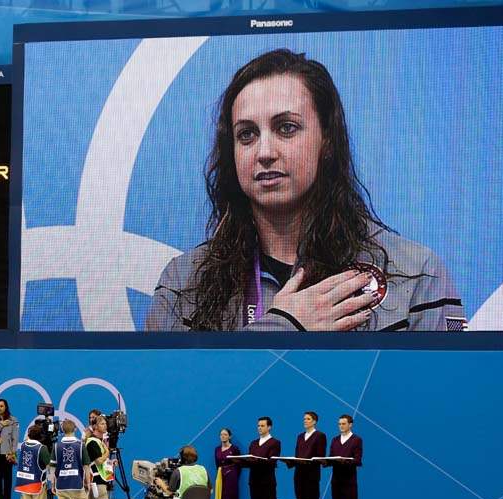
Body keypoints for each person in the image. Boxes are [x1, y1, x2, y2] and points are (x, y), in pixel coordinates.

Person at [146, 48, 465, 332]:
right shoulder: (182, 285)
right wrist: (284, 327)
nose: (264, 151)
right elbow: (165, 397)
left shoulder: (415, 275)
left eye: (286, 128)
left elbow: (444, 395)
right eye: (247, 134)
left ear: (326, 140)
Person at [51, 419, 91, 499]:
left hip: (61, 486)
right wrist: (88, 483)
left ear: (62, 430)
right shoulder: (80, 445)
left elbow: (52, 468)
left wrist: (53, 484)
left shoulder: (56, 446)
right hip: (77, 485)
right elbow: (86, 466)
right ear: (75, 429)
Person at [244, 417, 281, 499]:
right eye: (258, 426)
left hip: (267, 481)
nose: (260, 428)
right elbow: (250, 459)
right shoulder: (253, 443)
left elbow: (272, 461)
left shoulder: (275, 443)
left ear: (269, 427)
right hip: (254, 481)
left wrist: (256, 460)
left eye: (262, 426)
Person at [329, 414, 363, 499]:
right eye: (339, 424)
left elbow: (358, 459)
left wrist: (345, 460)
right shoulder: (335, 440)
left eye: (343, 424)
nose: (341, 426)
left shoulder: (356, 440)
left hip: (349, 481)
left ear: (350, 424)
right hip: (336, 481)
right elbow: (331, 457)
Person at [15, 425, 52, 499]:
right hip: (37, 485)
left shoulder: (23, 445)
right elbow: (49, 464)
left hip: (23, 483)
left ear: (29, 435)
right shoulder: (42, 448)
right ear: (41, 436)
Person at [293, 411, 327, 499]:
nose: (305, 421)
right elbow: (297, 454)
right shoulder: (300, 436)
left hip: (311, 475)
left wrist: (307, 461)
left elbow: (321, 456)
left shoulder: (320, 436)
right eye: (304, 419)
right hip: (299, 474)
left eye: (308, 419)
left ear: (314, 422)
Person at [213, 428, 241, 499]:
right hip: (221, 477)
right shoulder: (216, 449)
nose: (223, 436)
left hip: (232, 477)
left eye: (225, 434)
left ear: (230, 436)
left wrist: (233, 474)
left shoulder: (235, 449)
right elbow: (217, 464)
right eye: (221, 434)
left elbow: (239, 464)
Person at [85, 414, 113, 499]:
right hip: (97, 482)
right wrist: (107, 453)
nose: (105, 425)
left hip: (99, 481)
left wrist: (110, 462)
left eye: (105, 423)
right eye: (102, 423)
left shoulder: (100, 441)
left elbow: (101, 462)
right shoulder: (92, 442)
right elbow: (99, 461)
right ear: (95, 427)